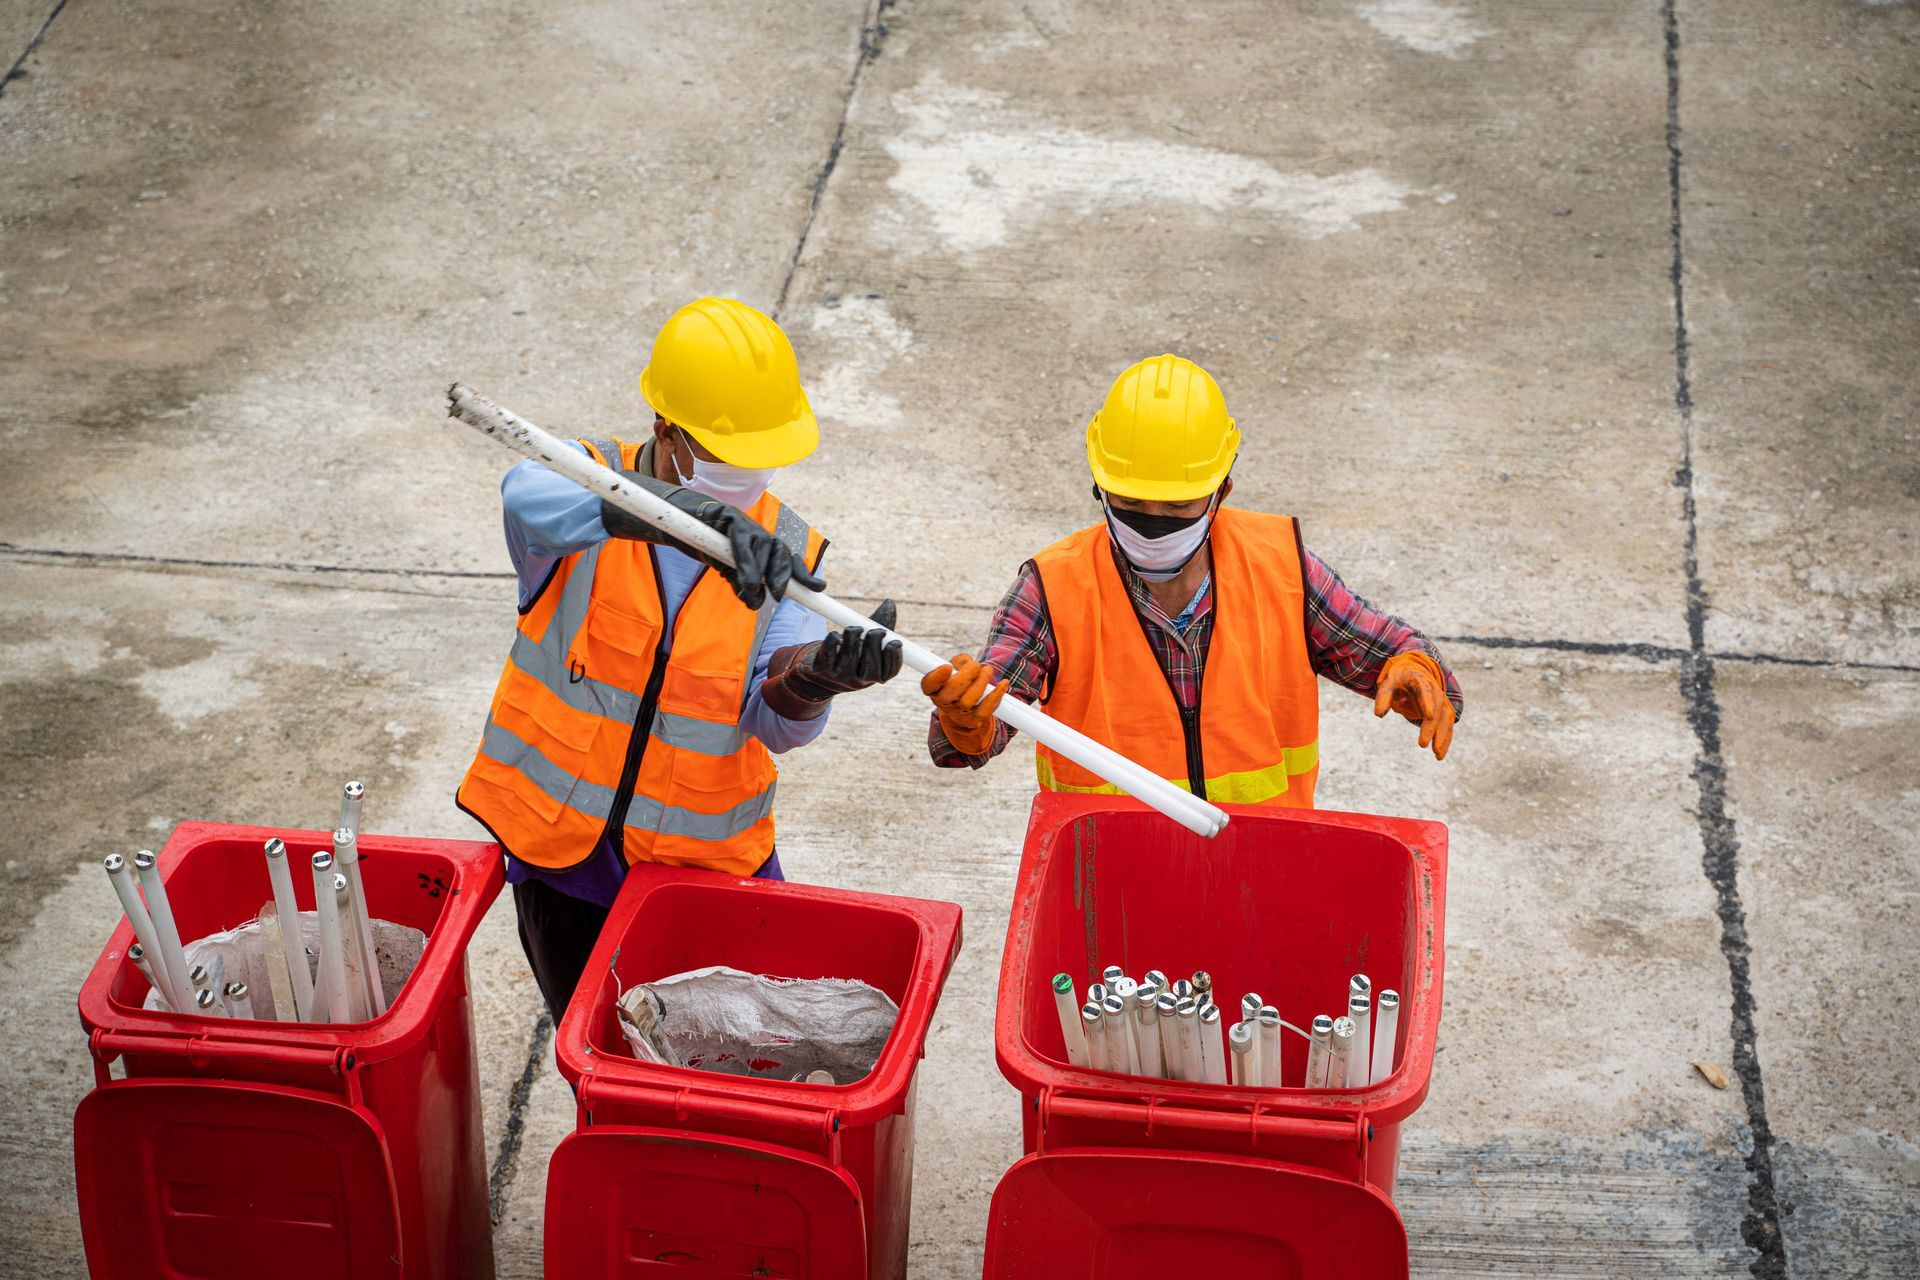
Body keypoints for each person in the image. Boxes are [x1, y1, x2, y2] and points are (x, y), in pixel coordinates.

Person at [459, 297, 903, 1021]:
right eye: (729, 456)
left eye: (763, 458)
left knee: (719, 1071)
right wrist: (678, 514)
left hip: (705, 871)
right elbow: (524, 494)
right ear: (667, 429)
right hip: (564, 861)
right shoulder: (586, 479)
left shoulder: (781, 538)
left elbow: (773, 717)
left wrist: (815, 678)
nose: (748, 477)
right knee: (597, 1050)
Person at [921, 353, 1460, 807]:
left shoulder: (1281, 568)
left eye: (1177, 504)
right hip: (1116, 881)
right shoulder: (1052, 588)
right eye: (1130, 502)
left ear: (1221, 492)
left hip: (1260, 871)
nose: (1152, 521)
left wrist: (1416, 669)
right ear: (1099, 490)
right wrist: (968, 721)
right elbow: (981, 716)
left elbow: (1397, 653)